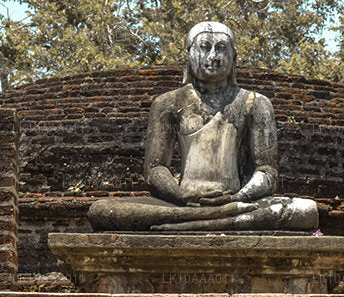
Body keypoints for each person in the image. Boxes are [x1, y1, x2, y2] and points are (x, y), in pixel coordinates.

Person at [86, 21, 318, 231]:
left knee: (305, 210)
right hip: (184, 202)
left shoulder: (255, 103)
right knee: (103, 211)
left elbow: (267, 172)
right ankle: (215, 218)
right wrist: (182, 196)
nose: (213, 56)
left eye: (221, 48)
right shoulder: (168, 103)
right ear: (190, 55)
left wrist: (238, 197)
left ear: (234, 56)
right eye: (205, 47)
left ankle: (206, 219)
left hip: (236, 199)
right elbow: (155, 169)